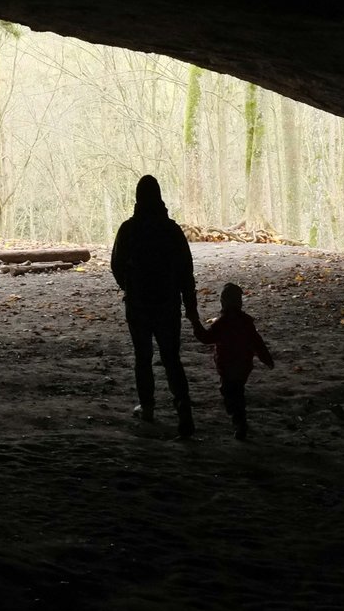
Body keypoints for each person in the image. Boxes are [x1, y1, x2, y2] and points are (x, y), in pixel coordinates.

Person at [109, 174, 201, 436]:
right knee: (172, 358)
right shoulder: (171, 230)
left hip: (138, 303)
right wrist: (190, 307)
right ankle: (184, 411)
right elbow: (186, 271)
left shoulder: (128, 230)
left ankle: (148, 407)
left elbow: (116, 265)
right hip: (167, 303)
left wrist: (130, 287)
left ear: (137, 198)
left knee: (143, 357)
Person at [193, 282, 275, 440]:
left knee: (230, 393)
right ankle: (240, 421)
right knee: (238, 391)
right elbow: (258, 343)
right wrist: (267, 359)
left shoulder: (222, 324)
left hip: (226, 366)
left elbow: (205, 338)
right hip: (244, 365)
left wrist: (196, 323)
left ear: (222, 302)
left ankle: (239, 423)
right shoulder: (246, 322)